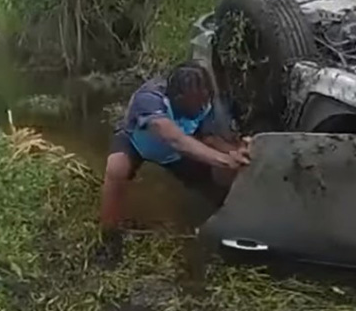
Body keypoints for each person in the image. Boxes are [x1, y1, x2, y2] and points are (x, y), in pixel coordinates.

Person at [98, 61, 250, 263]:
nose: (203, 107)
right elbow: (173, 138)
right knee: (117, 168)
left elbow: (209, 138)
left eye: (206, 99)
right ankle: (109, 239)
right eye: (197, 103)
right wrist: (223, 160)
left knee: (219, 187)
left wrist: (238, 153)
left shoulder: (205, 103)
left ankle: (228, 231)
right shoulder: (149, 99)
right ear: (179, 99)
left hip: (176, 154)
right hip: (138, 143)